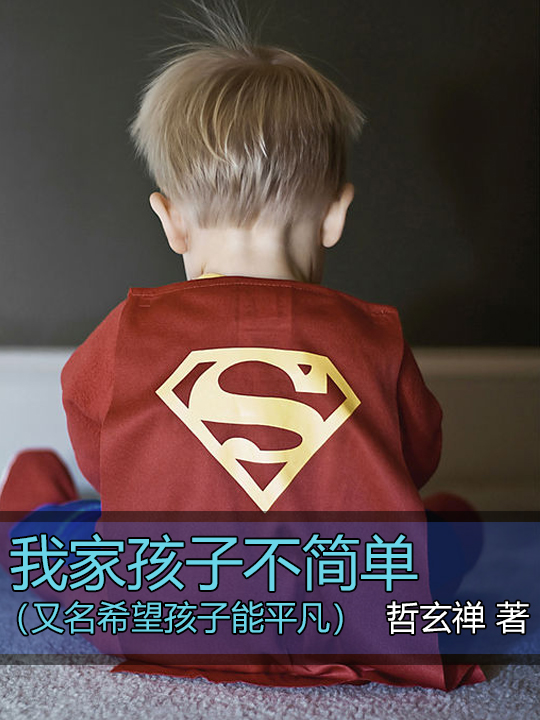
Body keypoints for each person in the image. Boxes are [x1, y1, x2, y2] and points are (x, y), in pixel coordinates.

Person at [0, 0, 484, 691]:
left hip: (163, 608)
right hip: (341, 610)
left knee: (51, 535)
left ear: (171, 221)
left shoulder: (131, 329)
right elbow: (416, 460)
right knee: (454, 526)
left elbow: (104, 464)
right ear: (335, 214)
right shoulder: (375, 335)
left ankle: (25, 491)